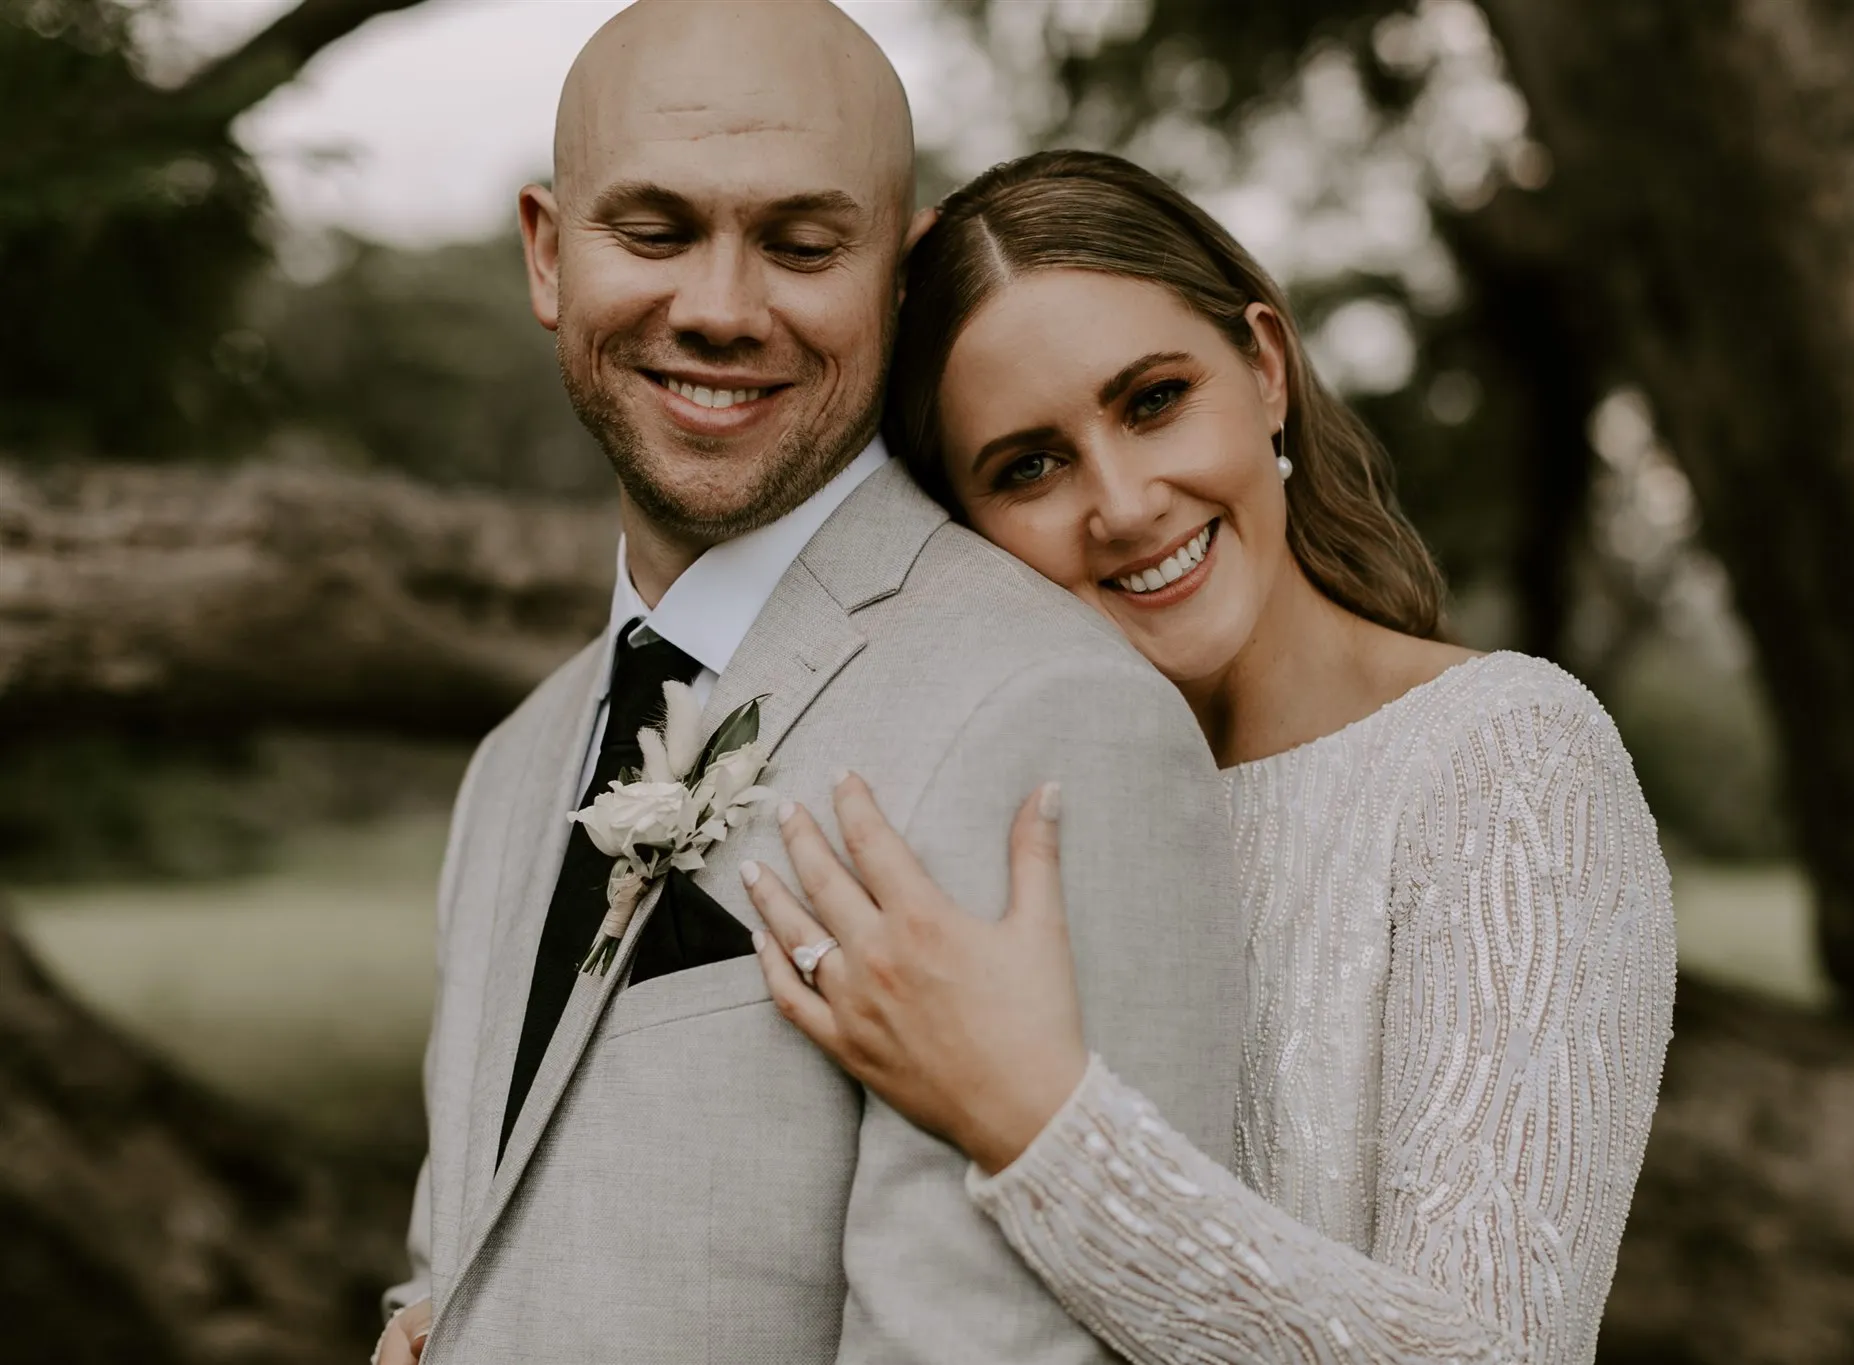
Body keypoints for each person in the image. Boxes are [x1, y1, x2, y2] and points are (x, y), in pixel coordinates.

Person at [373, 13, 1247, 1365]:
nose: (721, 309)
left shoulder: (1045, 716)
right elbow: (475, 1260)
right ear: (550, 253)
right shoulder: (513, 763)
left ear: (899, 277)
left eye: (800, 244)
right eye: (654, 233)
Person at [743, 150, 1679, 1365]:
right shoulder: (993, 817)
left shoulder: (1503, 762)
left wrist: (1030, 1119)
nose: (1124, 503)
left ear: (1265, 369)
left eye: (1151, 400)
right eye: (1028, 466)